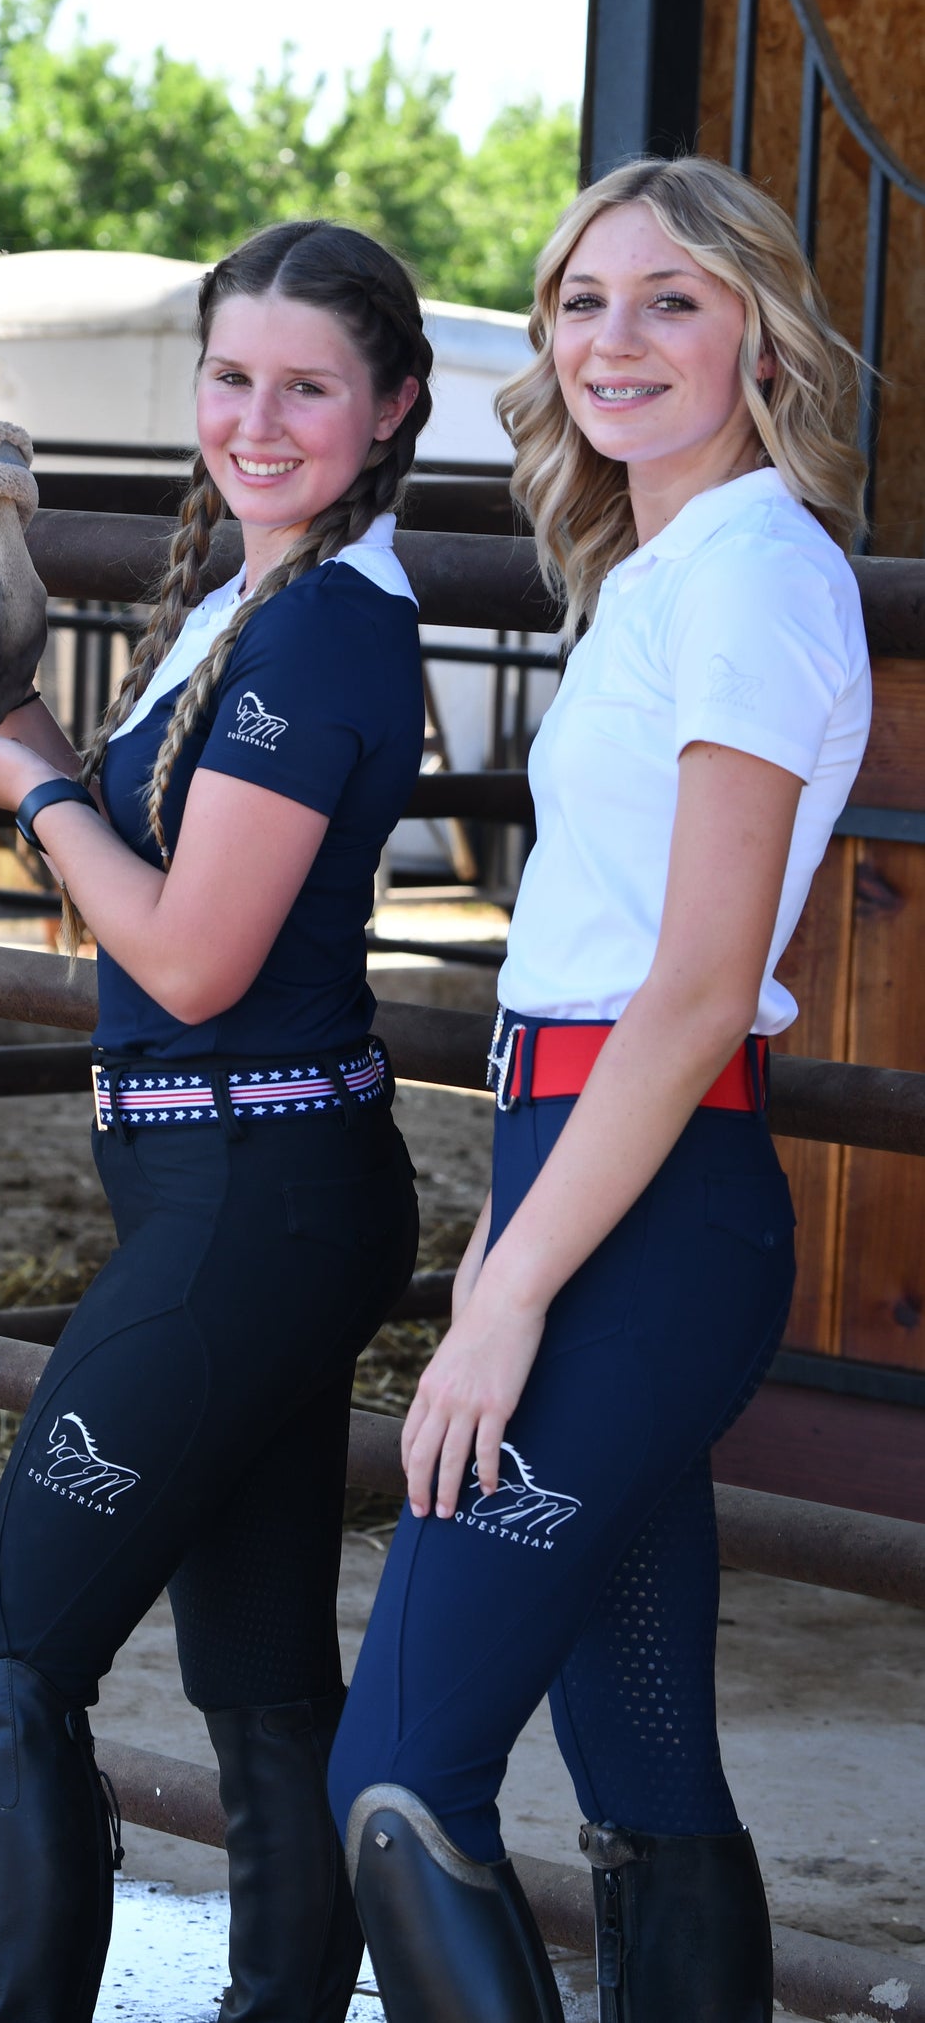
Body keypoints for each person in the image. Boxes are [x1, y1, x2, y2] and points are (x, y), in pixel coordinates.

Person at [327, 156, 872, 2023]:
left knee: (394, 1775)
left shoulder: (755, 581)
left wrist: (508, 1300)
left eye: (671, 301)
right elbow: (591, 977)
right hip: (594, 1170)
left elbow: (701, 984)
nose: (611, 340)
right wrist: (507, 1224)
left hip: (653, 1221)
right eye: (578, 300)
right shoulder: (670, 574)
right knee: (642, 1776)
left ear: (761, 339)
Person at [0, 219, 435, 2023]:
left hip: (248, 1191)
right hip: (245, 1191)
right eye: (231, 377)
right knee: (260, 1674)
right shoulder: (248, 606)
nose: (259, 419)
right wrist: (57, 775)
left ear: (390, 412)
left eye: (309, 387)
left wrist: (46, 786)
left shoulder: (321, 643)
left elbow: (197, 958)